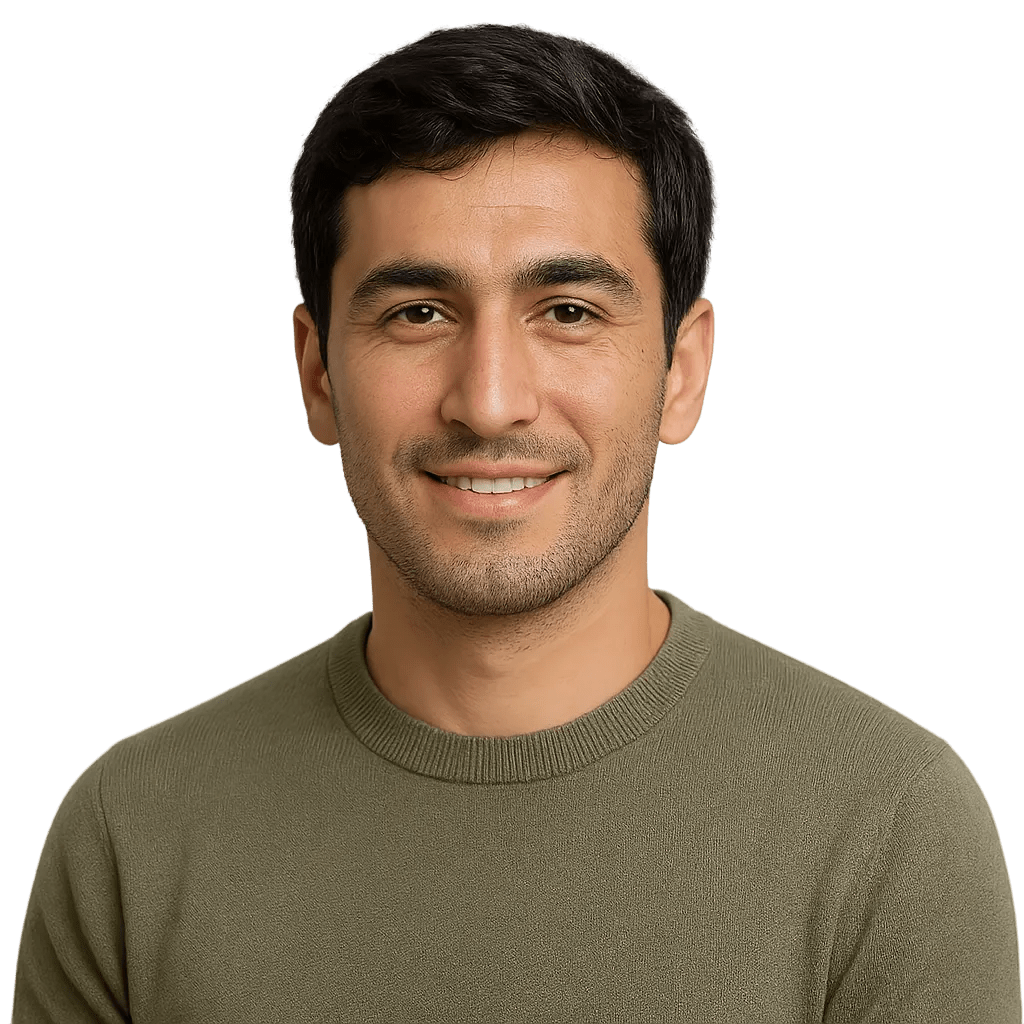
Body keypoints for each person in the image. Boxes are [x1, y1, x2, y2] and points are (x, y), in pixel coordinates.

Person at [11, 21, 1021, 1023]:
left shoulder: (889, 823)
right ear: (317, 374)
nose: (490, 402)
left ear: (681, 370)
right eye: (418, 313)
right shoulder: (131, 834)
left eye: (569, 311)